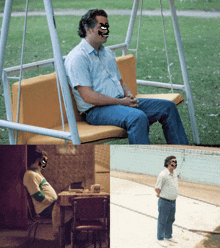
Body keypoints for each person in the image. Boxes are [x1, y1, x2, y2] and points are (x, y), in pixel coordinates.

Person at [64, 9, 189, 145]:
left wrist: (129, 96)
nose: (106, 30)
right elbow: (88, 96)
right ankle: (140, 164)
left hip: (120, 102)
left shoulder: (107, 53)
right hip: (95, 110)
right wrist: (122, 102)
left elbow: (120, 82)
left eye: (107, 26)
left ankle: (183, 155)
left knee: (168, 107)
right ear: (88, 29)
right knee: (137, 117)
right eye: (102, 27)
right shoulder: (78, 57)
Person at [23, 146, 72, 244]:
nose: (45, 163)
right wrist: (54, 200)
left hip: (50, 205)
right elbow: (38, 196)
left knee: (73, 210)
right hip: (45, 208)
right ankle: (63, 238)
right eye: (44, 161)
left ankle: (66, 236)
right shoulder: (29, 175)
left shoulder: (36, 173)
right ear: (38, 160)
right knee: (71, 211)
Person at [155, 156, 179, 247]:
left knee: (171, 219)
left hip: (173, 201)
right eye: (173, 162)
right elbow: (157, 188)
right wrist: (159, 194)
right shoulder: (163, 174)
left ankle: (168, 236)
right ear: (168, 163)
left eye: (176, 162)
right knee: (162, 220)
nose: (175, 164)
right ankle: (160, 238)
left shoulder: (175, 173)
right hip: (165, 201)